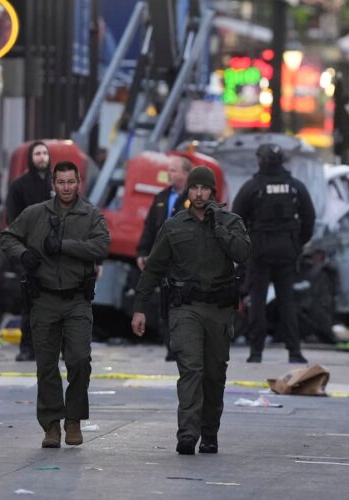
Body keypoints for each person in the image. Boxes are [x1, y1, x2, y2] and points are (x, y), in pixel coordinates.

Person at [131, 166, 251, 455]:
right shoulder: (174, 226)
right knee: (191, 370)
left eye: (204, 189)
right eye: (194, 188)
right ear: (188, 191)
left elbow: (244, 254)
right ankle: (187, 434)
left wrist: (218, 229)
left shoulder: (230, 221)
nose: (199, 194)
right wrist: (139, 308)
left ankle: (209, 433)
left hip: (219, 311)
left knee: (213, 375)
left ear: (213, 192)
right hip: (185, 308)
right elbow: (153, 269)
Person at [0, 161, 111, 448]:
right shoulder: (36, 214)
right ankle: (51, 425)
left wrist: (64, 245)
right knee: (46, 365)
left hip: (76, 299)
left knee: (78, 360)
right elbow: (7, 237)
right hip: (44, 298)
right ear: (53, 183)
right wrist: (23, 255)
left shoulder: (89, 215)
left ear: (79, 183)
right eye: (61, 182)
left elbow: (102, 246)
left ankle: (73, 419)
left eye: (71, 182)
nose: (66, 187)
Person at [232, 143, 315, 364]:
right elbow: (309, 218)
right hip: (287, 251)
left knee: (257, 301)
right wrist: (297, 243)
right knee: (287, 300)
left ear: (260, 160)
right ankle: (294, 351)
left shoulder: (252, 187)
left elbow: (235, 219)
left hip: (259, 251)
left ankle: (256, 351)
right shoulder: (295, 187)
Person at [136, 156, 192, 362]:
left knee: (184, 303)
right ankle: (170, 347)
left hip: (186, 260)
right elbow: (150, 227)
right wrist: (142, 252)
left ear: (186, 174)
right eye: (169, 170)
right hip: (163, 258)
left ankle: (184, 346)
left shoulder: (194, 197)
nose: (170, 174)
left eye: (174, 170)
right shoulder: (161, 197)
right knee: (165, 303)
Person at [6, 141, 53, 362]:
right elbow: (13, 221)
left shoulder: (58, 184)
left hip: (56, 253)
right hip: (30, 253)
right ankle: (27, 348)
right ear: (31, 157)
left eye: (45, 153)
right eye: (38, 153)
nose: (42, 157)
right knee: (30, 303)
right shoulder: (19, 186)